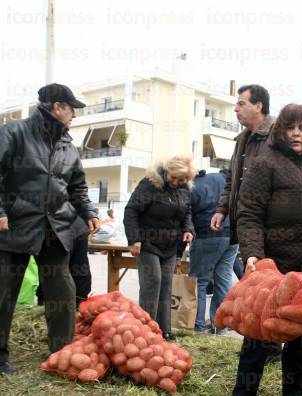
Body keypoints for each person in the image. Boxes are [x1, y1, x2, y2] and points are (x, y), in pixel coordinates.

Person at [0, 83, 100, 375]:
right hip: (15, 225)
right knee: (4, 292)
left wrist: (89, 212)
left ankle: (62, 352)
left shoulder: (68, 144)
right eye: (72, 110)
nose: (75, 116)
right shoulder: (13, 132)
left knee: (62, 292)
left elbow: (78, 186)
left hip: (56, 226)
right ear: (57, 107)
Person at [233, 103, 302, 396]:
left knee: (301, 337)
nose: (296, 134)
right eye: (290, 127)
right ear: (280, 130)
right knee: (259, 337)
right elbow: (249, 212)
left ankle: (294, 392)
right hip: (273, 269)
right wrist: (253, 254)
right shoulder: (266, 162)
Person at [209, 84, 281, 362]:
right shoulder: (241, 140)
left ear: (259, 106)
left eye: (241, 104)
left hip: (270, 223)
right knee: (255, 281)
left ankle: (270, 345)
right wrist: (223, 208)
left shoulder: (276, 136)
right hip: (247, 222)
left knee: (268, 282)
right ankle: (263, 343)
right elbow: (232, 178)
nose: (236, 109)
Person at [124, 155, 195, 341]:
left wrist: (188, 229)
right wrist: (134, 239)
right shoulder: (150, 184)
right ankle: (146, 330)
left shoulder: (184, 189)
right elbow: (131, 210)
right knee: (152, 281)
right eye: (173, 177)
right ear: (166, 171)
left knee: (166, 284)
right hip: (147, 243)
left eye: (181, 180)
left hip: (170, 245)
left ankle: (164, 329)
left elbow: (187, 211)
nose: (176, 182)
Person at [189, 169, 238, 334]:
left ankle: (198, 327)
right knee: (223, 281)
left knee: (199, 282)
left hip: (206, 235)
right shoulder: (231, 183)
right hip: (232, 236)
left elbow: (187, 215)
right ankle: (219, 328)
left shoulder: (196, 184)